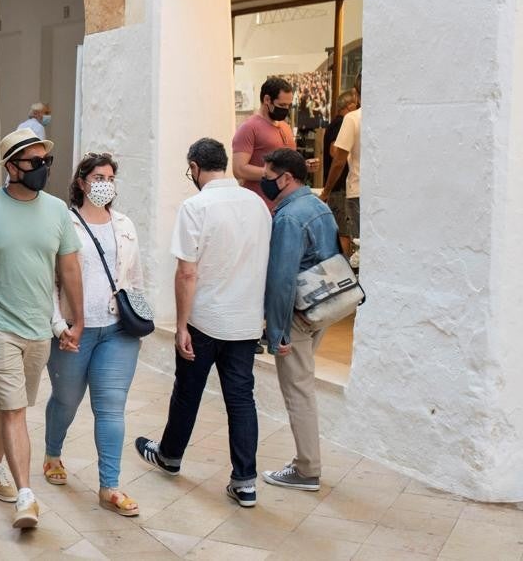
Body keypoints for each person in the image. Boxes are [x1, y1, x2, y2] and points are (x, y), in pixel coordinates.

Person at [0, 127, 83, 530]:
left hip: (38, 327)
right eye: (34, 162)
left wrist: (76, 320)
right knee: (15, 410)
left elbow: (69, 267)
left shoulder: (58, 210)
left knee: (13, 406)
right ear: (11, 167)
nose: (42, 168)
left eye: (47, 162)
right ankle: (26, 495)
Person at [133, 138, 271, 508]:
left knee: (187, 392)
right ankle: (245, 482)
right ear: (224, 164)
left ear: (194, 166)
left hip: (205, 319)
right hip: (245, 322)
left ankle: (170, 456)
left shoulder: (195, 206)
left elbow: (187, 273)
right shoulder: (257, 204)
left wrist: (180, 326)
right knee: (242, 401)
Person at [43, 152, 145, 517]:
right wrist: (59, 325)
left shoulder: (125, 224)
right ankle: (53, 452)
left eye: (110, 178)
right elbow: (50, 282)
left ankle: (110, 486)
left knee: (111, 407)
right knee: (66, 399)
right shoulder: (64, 223)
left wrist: (138, 315)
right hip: (74, 330)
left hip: (118, 331)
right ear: (82, 181)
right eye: (98, 177)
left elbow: (133, 278)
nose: (105, 183)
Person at [257, 149, 340, 493]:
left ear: (286, 178)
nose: (265, 181)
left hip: (297, 316)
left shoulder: (289, 217)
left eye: (268, 174)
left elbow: (281, 280)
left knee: (298, 390)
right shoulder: (319, 207)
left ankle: (307, 468)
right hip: (323, 308)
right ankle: (305, 462)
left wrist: (276, 332)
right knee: (303, 385)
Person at [232, 77, 320, 210]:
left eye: (288, 105)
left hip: (288, 206)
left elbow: (288, 164)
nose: (286, 109)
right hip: (260, 206)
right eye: (282, 105)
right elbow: (239, 169)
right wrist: (274, 174)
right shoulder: (249, 127)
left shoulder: (285, 127)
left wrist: (303, 166)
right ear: (267, 100)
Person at [322, 75, 362, 250]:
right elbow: (336, 155)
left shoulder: (353, 119)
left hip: (356, 188)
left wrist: (326, 190)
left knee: (353, 239)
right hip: (369, 189)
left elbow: (337, 158)